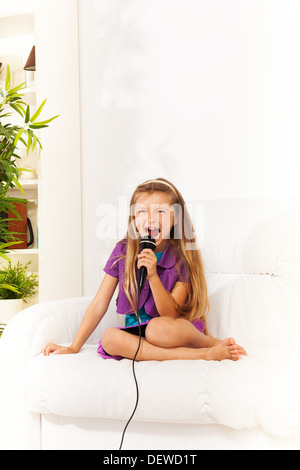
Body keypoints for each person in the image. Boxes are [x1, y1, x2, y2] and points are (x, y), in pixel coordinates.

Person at [43, 178, 247, 361]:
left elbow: (170, 313)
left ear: (175, 218)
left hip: (171, 328)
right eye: (142, 211)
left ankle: (209, 344)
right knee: (109, 338)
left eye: (160, 211)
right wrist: (73, 346)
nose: (150, 218)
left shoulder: (182, 257)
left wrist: (153, 276)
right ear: (134, 218)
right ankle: (199, 355)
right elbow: (99, 303)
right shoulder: (123, 251)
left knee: (157, 329)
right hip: (139, 331)